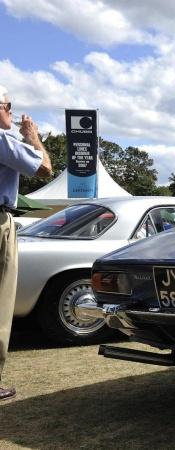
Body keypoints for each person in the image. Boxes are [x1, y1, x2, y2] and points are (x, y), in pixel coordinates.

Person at [0, 85, 52, 401]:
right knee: (1, 302)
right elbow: (44, 169)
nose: (11, 111)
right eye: (8, 105)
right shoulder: (3, 140)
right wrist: (33, 136)